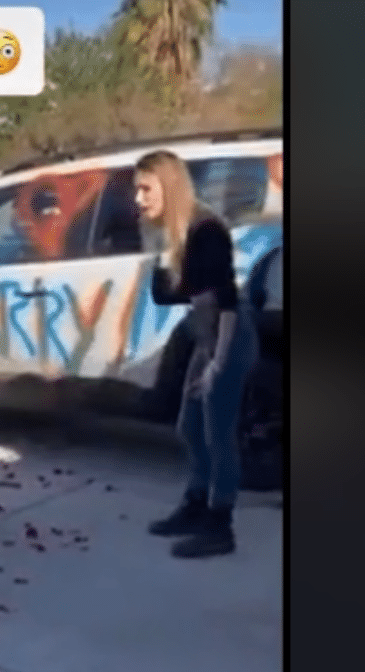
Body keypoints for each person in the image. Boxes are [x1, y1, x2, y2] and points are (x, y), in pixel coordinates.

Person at [135, 150, 259, 558]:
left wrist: (218, 363)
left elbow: (224, 301)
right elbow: (167, 294)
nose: (138, 198)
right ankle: (195, 503)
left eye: (145, 188)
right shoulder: (177, 232)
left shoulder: (206, 230)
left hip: (229, 335)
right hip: (205, 334)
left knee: (218, 431)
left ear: (167, 186)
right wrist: (157, 246)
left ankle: (220, 526)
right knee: (189, 426)